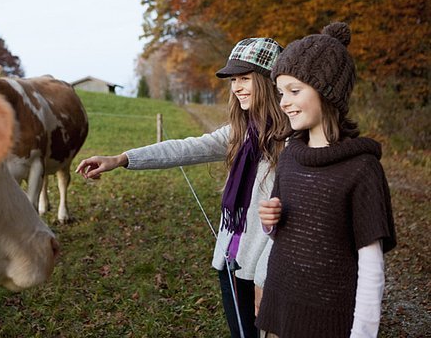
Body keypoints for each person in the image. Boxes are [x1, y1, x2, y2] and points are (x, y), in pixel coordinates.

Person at [76, 37, 288, 338]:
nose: (236, 87)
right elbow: (185, 149)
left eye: (245, 79)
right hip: (230, 261)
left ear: (268, 81)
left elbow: (288, 223)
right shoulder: (241, 133)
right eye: (233, 80)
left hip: (262, 273)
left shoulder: (290, 143)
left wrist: (265, 280)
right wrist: (122, 159)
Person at [257, 22, 397, 338]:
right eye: (281, 92)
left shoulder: (361, 168)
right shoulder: (291, 154)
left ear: (328, 92)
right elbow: (282, 232)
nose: (284, 102)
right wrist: (269, 221)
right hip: (281, 309)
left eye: (295, 91)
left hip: (328, 321)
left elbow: (372, 265)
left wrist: (362, 332)